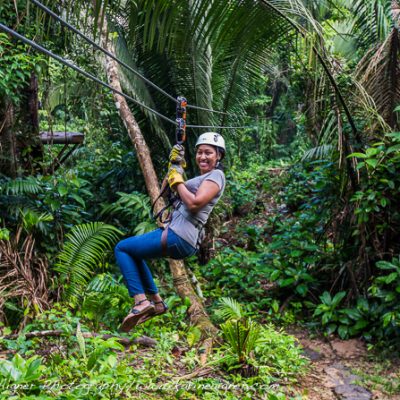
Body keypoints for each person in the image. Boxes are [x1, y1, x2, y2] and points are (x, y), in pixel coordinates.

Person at [115, 132, 226, 332]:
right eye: (200, 152)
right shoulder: (201, 179)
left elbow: (193, 204)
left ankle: (141, 302)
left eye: (208, 153)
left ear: (218, 156)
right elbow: (166, 192)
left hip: (180, 235)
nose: (202, 156)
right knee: (134, 254)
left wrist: (179, 181)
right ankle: (157, 303)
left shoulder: (216, 176)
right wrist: (173, 168)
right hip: (180, 236)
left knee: (122, 248)